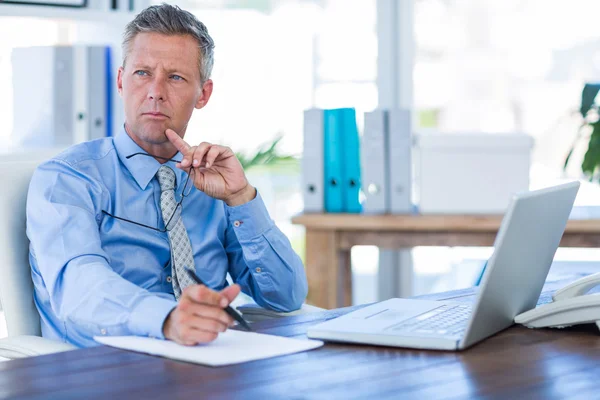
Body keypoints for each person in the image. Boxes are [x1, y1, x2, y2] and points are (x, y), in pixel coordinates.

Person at [26, 4, 308, 348]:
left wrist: (241, 198)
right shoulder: (68, 179)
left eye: (175, 77)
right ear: (120, 81)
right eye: (142, 73)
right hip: (104, 369)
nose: (156, 91)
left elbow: (287, 296)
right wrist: (167, 318)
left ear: (202, 94)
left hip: (210, 365)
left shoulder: (211, 182)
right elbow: (78, 286)